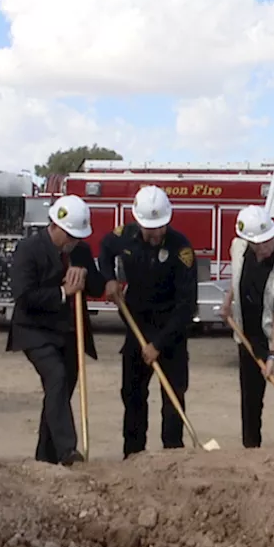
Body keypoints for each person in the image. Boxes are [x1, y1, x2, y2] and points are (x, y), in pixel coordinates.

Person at [99, 185, 198, 458]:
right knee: (132, 397)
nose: (154, 234)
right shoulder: (125, 236)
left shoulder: (181, 249)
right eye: (149, 228)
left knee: (173, 400)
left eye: (159, 227)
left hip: (170, 333)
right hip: (136, 326)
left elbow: (186, 306)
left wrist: (158, 343)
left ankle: (172, 457)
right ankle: (133, 456)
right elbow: (105, 250)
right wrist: (109, 278)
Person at [7, 195, 107, 465]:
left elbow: (97, 287)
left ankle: (45, 459)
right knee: (56, 377)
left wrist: (85, 276)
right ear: (55, 225)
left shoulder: (80, 252)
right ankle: (67, 451)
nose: (74, 241)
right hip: (35, 331)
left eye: (78, 237)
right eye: (70, 236)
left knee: (59, 391)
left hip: (69, 333)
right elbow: (24, 296)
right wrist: (63, 292)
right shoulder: (29, 249)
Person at [219, 205, 274, 448]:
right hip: (248, 335)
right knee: (250, 399)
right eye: (260, 243)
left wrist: (273, 355)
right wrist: (227, 304)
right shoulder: (238, 248)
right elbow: (237, 279)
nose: (266, 246)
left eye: (269, 240)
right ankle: (251, 449)